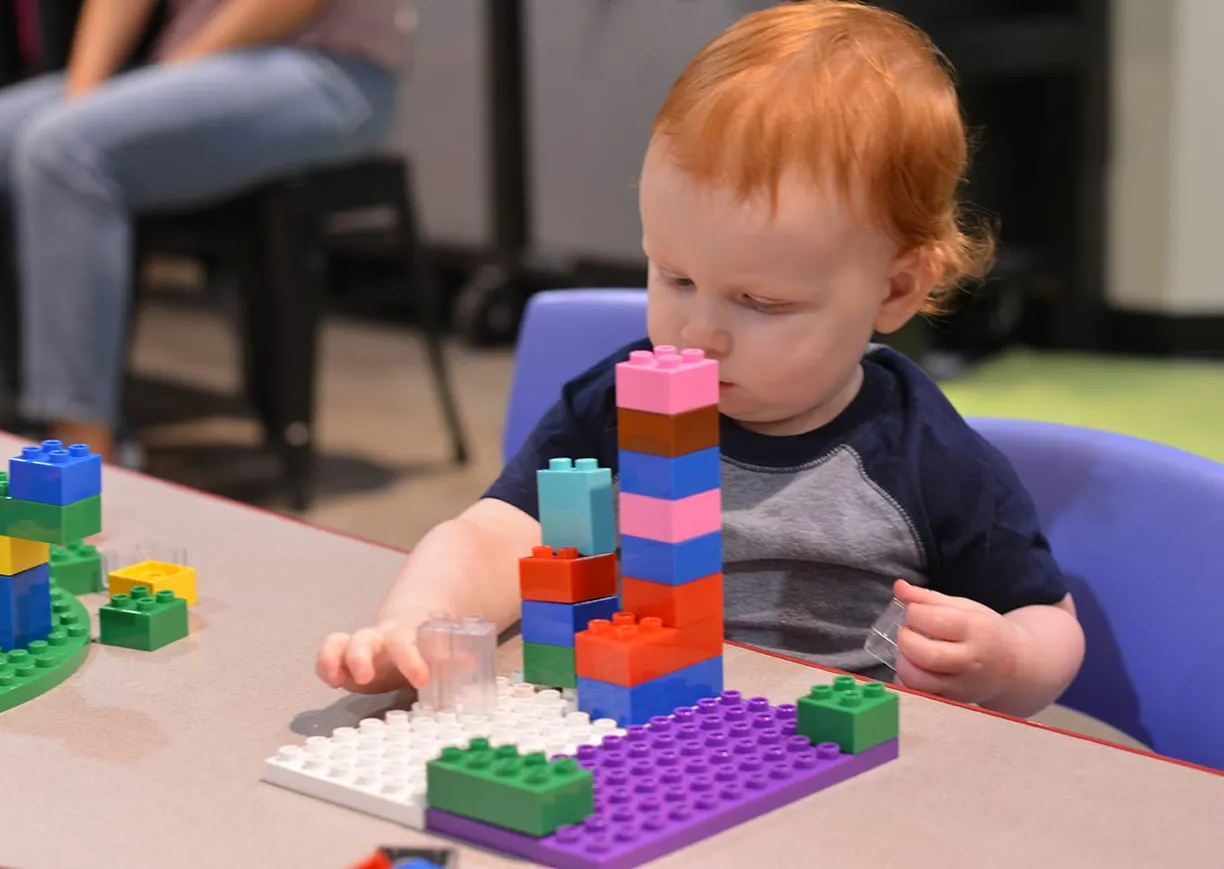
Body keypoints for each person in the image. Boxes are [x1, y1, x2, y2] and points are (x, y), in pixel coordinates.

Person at [315, 0, 1086, 717]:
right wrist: (416, 621)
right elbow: (494, 536)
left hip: (831, 767)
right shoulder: (618, 404)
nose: (697, 331)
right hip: (636, 731)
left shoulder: (927, 456)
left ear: (895, 289)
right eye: (675, 277)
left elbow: (1046, 619)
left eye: (761, 303)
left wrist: (1008, 659)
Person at [0, 0, 407, 462]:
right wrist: (82, 100)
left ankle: (85, 448)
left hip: (324, 65)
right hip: (180, 61)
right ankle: (26, 400)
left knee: (64, 152)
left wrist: (169, 77)